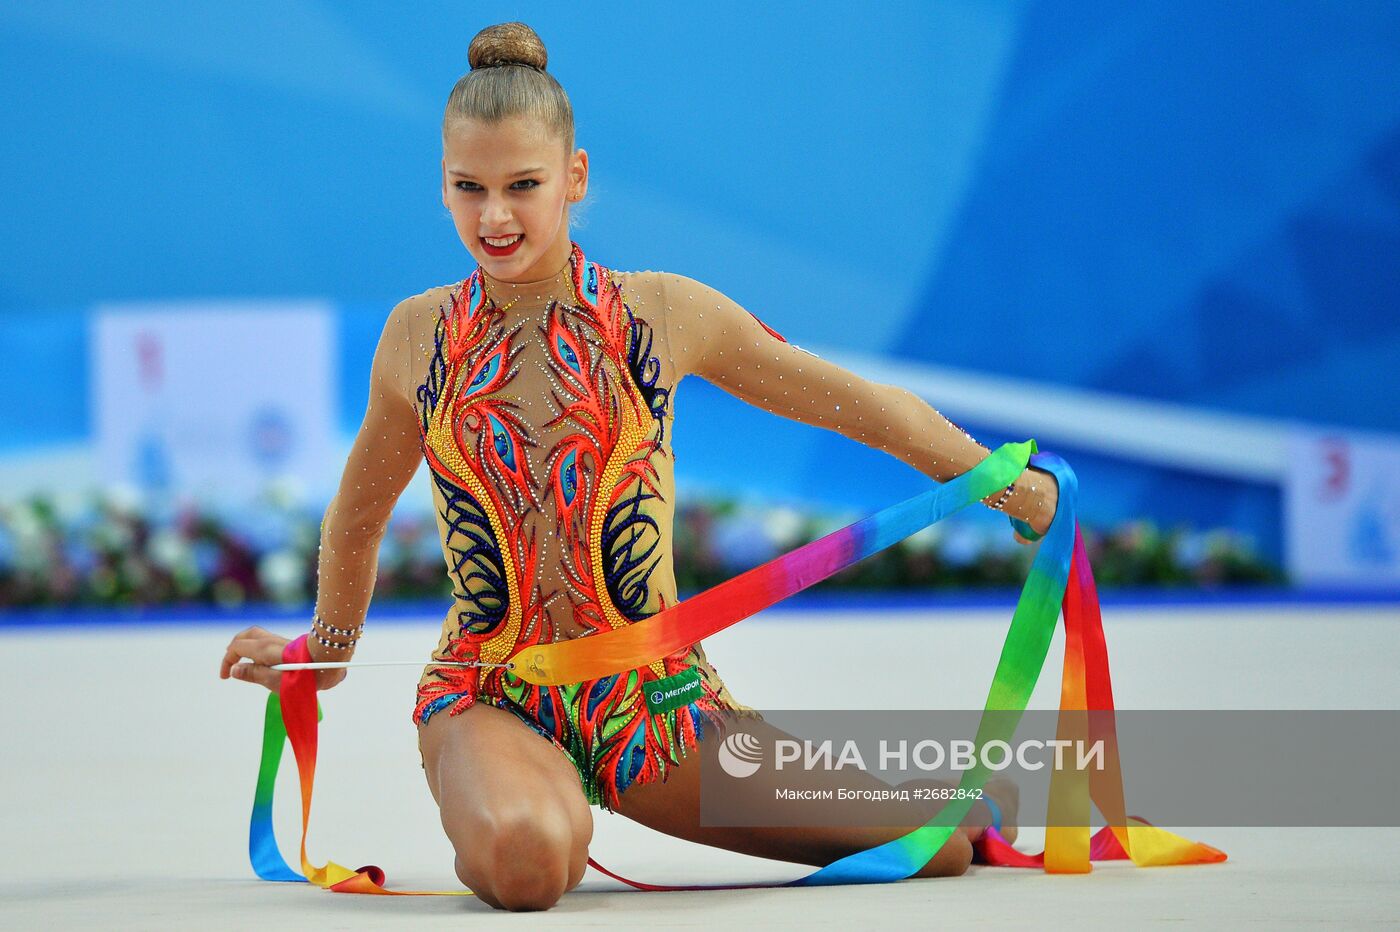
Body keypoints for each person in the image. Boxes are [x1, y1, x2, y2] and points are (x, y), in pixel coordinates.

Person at [220, 21, 1058, 912]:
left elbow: (850, 402)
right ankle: (540, 799)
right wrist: (326, 655)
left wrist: (1007, 482)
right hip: (489, 687)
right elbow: (357, 518)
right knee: (527, 861)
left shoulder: (659, 314)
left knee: (938, 848)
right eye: (469, 189)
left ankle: (931, 805)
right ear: (443, 185)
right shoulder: (418, 337)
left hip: (653, 700)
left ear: (574, 177)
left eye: (522, 187)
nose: (495, 217)